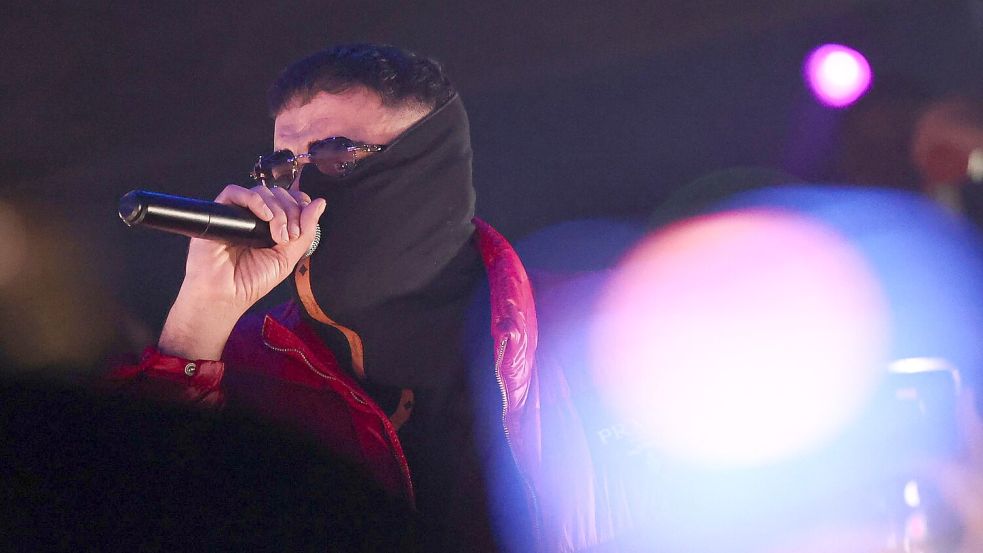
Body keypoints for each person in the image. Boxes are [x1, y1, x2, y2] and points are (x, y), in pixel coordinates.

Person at [111, 44, 542, 551]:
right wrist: (202, 310)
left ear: (429, 166)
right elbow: (122, 515)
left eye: (337, 155)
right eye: (283, 168)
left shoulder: (595, 329)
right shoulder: (244, 367)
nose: (299, 194)